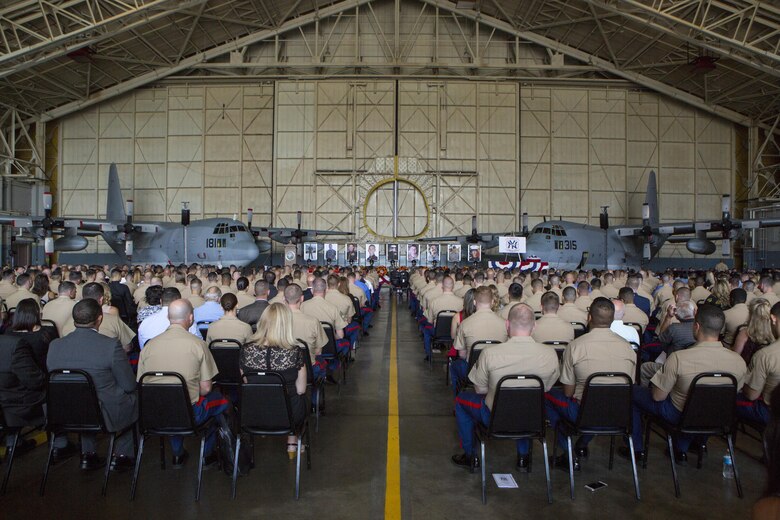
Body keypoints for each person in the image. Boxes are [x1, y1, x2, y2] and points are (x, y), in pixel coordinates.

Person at [629, 304, 747, 463]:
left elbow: (657, 397)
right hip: (717, 417)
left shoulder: (679, 358)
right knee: (706, 404)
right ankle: (688, 445)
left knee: (632, 393)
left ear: (696, 326)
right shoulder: (738, 362)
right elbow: (731, 395)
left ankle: (636, 449)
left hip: (679, 415)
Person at [451, 304, 560, 470]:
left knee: (460, 401)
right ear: (534, 325)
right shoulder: (550, 354)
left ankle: (470, 455)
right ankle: (523, 458)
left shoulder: (490, 353)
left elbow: (480, 390)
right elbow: (546, 388)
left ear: (507, 325)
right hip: (533, 418)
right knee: (525, 403)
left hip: (495, 417)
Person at [545, 297, 636, 470]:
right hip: (619, 413)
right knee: (600, 403)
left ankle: (568, 448)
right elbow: (629, 386)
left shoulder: (576, 346)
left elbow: (568, 392)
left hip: (584, 413)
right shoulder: (628, 348)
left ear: (589, 317)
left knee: (547, 395)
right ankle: (581, 444)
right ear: (612, 319)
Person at [48, 299, 138, 471]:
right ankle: (122, 455)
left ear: (73, 320)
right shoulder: (110, 346)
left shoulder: (55, 345)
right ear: (99, 319)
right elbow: (128, 385)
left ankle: (88, 454)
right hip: (103, 411)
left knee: (82, 398)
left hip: (65, 410)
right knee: (134, 397)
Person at [137, 299, 229, 468]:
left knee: (172, 401)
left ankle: (178, 453)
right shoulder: (198, 345)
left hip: (155, 412)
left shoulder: (149, 346)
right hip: (190, 413)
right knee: (221, 403)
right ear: (191, 318)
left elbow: (142, 385)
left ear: (168, 317)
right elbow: (206, 389)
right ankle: (208, 454)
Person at [240, 303, 308, 460]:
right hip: (287, 415)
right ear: (287, 324)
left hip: (254, 413)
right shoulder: (294, 352)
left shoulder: (246, 350)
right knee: (300, 396)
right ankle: (292, 443)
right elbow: (301, 389)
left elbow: (246, 383)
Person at [450, 287, 508, 390]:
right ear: (493, 301)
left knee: (454, 366)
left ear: (474, 302)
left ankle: (459, 397)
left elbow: (462, 354)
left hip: (472, 369)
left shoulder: (465, 324)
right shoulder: (504, 324)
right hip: (497, 370)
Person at [737, 302, 780, 427]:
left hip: (769, 411)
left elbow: (751, 395)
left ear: (773, 318)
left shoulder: (765, 355)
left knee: (726, 400)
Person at [61, 283, 136, 352]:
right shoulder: (113, 320)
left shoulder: (68, 321)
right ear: (101, 300)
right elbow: (127, 348)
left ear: (83, 298)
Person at [7, 298, 56, 370]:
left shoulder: (8, 333)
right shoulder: (47, 332)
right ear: (37, 314)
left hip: (13, 375)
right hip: (42, 373)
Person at [733, 298, 774, 365]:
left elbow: (735, 357)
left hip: (746, 370)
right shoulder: (774, 334)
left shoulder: (744, 333)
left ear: (751, 315)